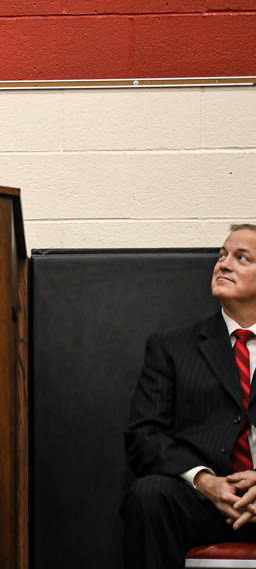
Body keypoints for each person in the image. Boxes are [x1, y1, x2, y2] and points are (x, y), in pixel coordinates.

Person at [123, 224, 256, 569]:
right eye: (222, 255)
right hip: (204, 504)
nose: (223, 264)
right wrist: (206, 481)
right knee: (149, 495)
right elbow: (143, 437)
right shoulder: (172, 347)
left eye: (242, 258)